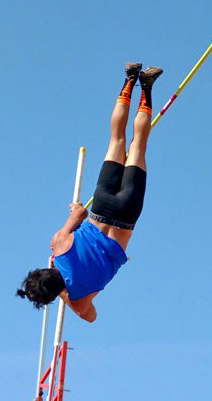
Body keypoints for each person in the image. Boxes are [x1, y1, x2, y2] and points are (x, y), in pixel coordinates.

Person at [16, 62, 163, 322]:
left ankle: (148, 86)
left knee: (138, 145)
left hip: (126, 216)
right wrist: (75, 211)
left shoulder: (78, 299)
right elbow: (81, 212)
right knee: (117, 139)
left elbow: (91, 317)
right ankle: (130, 80)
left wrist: (65, 295)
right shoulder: (58, 244)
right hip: (103, 206)